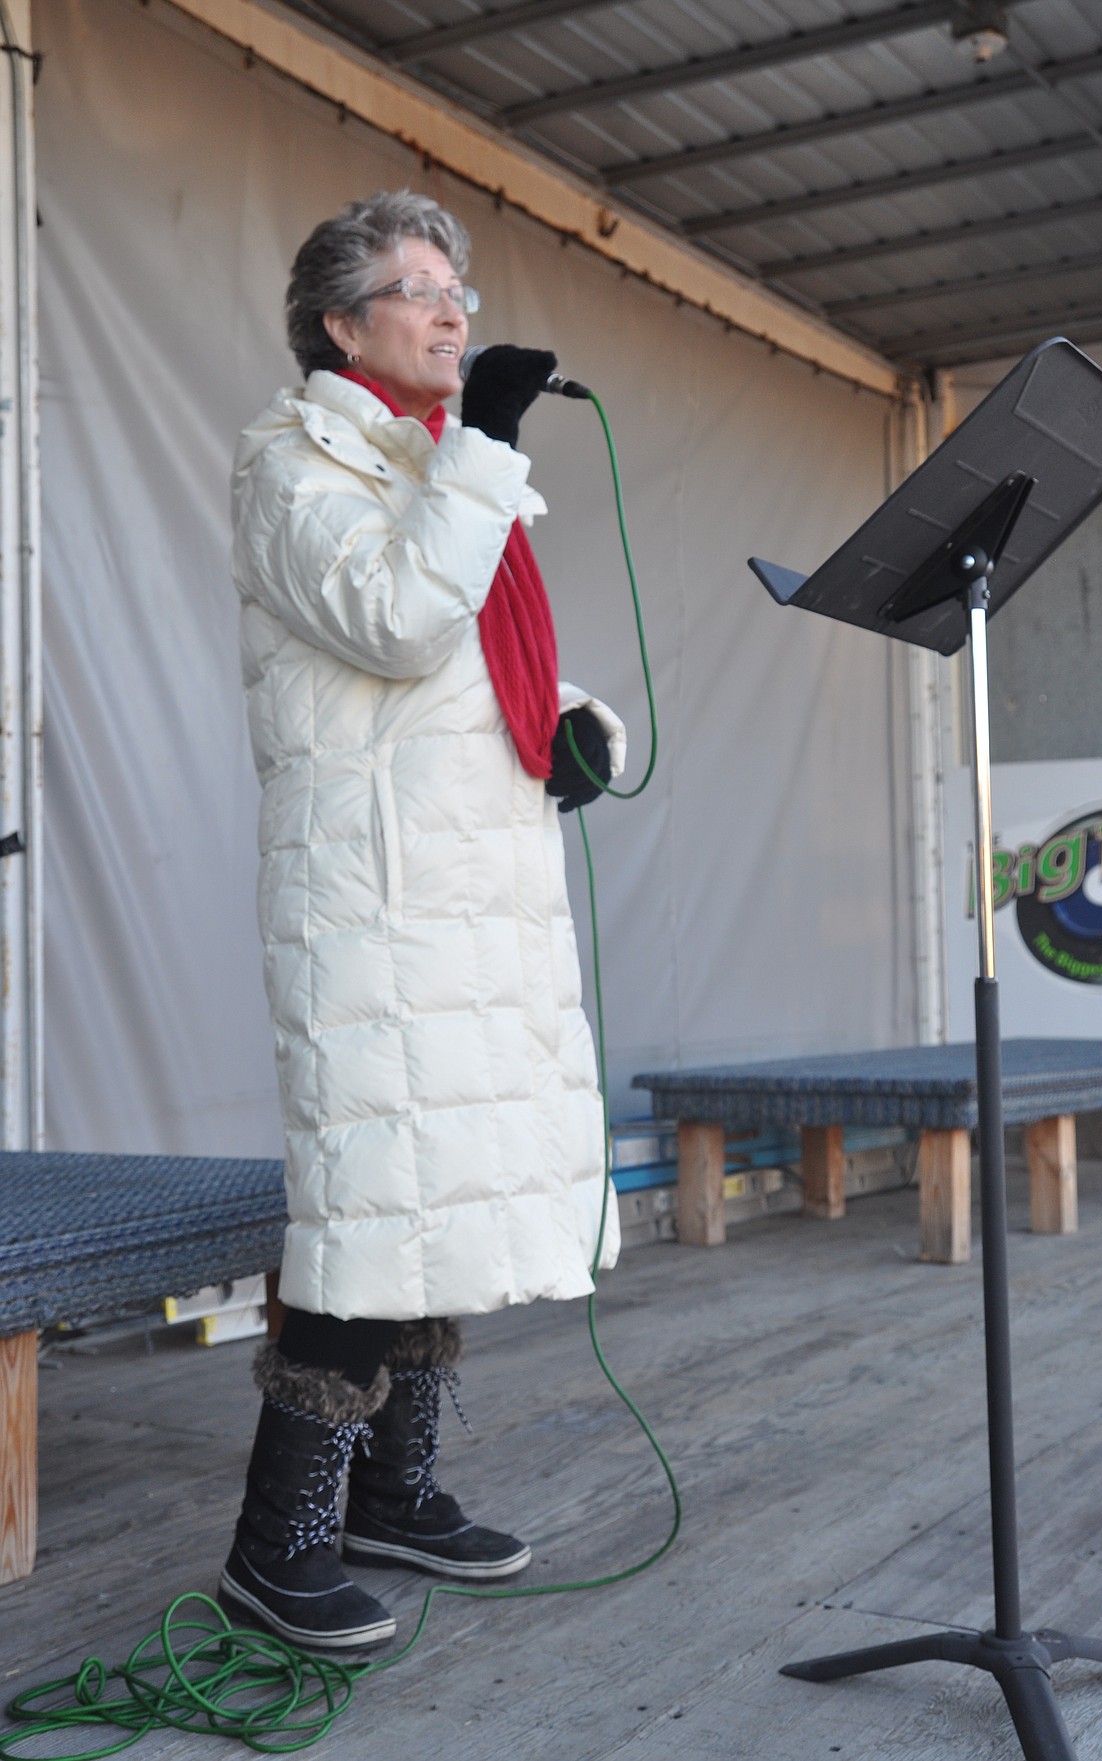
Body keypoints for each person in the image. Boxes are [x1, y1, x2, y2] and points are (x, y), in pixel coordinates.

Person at [219, 190, 626, 1651]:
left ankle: (397, 1493)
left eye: (459, 285)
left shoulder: (439, 464)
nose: (454, 310)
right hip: (376, 900)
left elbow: (471, 671)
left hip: (474, 885)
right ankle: (279, 1541)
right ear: (341, 323)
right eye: (415, 287)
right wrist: (491, 451)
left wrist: (586, 734)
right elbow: (391, 615)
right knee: (370, 1208)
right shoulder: (295, 462)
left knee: (437, 1194)